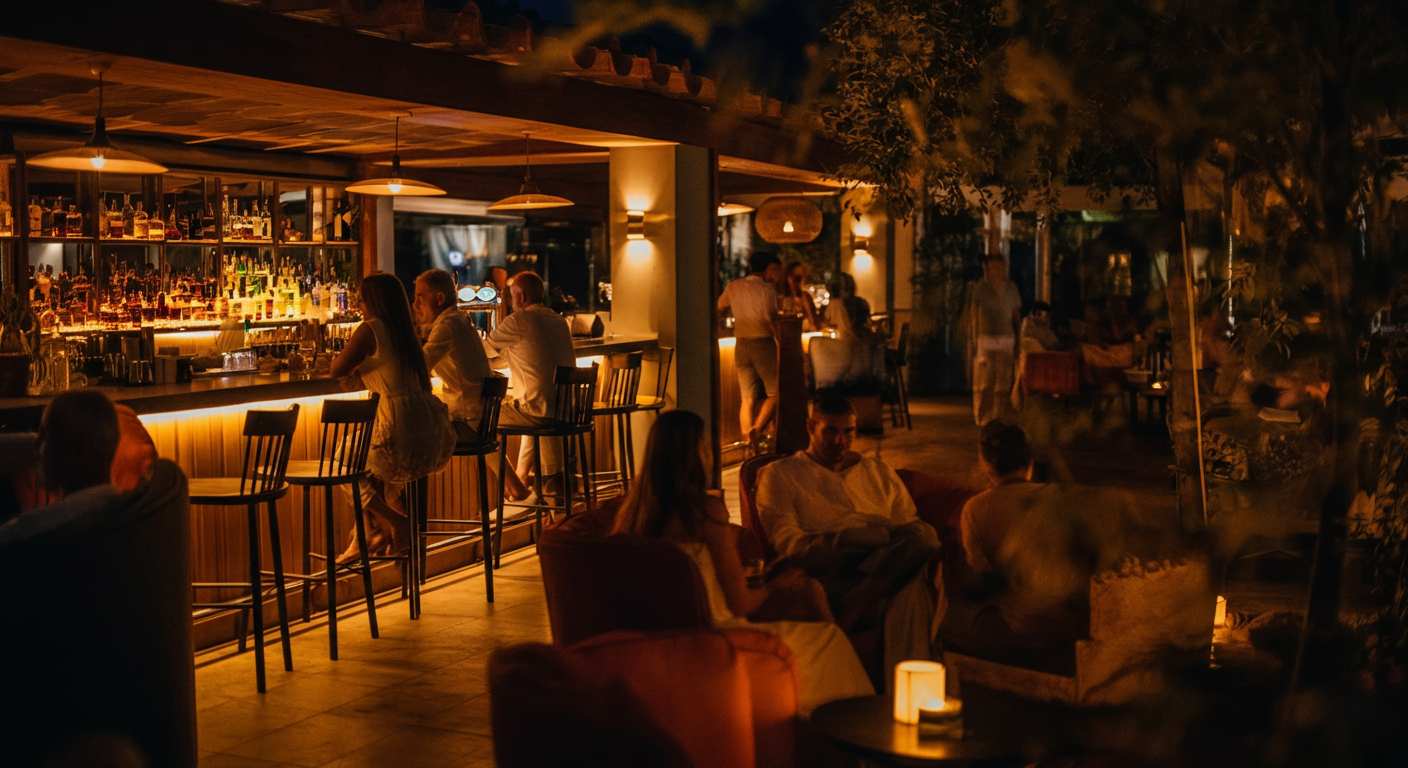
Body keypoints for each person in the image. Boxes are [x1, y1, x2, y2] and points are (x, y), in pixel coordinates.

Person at [613, 409, 875, 715]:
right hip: (718, 634)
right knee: (829, 638)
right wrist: (778, 583)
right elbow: (740, 605)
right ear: (698, 453)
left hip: (666, 634)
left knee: (810, 607)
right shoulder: (706, 512)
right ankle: (848, 728)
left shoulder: (634, 516)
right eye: (705, 446)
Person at [757, 393, 941, 679]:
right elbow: (789, 545)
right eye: (830, 431)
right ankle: (913, 699)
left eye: (848, 432)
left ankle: (863, 599)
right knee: (912, 589)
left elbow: (910, 533)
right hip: (832, 572)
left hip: (886, 565)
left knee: (922, 540)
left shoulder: (878, 472)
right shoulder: (780, 475)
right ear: (810, 427)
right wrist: (851, 539)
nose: (840, 440)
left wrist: (880, 543)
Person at [949, 421, 1126, 656]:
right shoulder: (1058, 498)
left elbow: (981, 576)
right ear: (1029, 462)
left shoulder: (975, 509)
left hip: (1022, 626)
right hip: (1072, 623)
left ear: (986, 463)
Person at [330, 273, 455, 561]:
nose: (360, 305)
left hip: (399, 430)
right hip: (430, 428)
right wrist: (364, 375)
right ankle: (367, 532)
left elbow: (336, 369)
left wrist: (354, 371)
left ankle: (394, 522)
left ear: (373, 301)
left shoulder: (370, 328)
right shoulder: (406, 333)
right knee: (363, 457)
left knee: (341, 462)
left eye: (361, 299)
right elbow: (392, 373)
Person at [484, 271, 577, 499]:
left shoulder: (518, 320)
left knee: (479, 419)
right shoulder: (560, 321)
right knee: (527, 405)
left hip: (540, 413)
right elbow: (517, 354)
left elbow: (482, 350)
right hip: (568, 413)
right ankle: (523, 480)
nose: (509, 301)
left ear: (522, 297)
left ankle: (515, 487)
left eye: (511, 295)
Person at [0, 390, 123, 544]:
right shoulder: (129, 513)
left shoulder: (25, 531)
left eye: (44, 435)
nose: (36, 445)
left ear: (77, 449)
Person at [718, 252, 781, 454]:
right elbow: (773, 318)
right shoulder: (768, 289)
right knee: (775, 394)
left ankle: (750, 447)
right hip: (762, 343)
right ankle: (757, 430)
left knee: (747, 399)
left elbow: (718, 306)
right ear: (766, 269)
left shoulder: (734, 286)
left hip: (741, 345)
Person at [965, 254, 1022, 426]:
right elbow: (973, 315)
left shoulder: (1011, 288)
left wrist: (1018, 335)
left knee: (1003, 383)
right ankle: (982, 416)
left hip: (1006, 337)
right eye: (992, 267)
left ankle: (998, 417)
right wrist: (973, 339)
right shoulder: (980, 288)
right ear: (986, 269)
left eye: (999, 267)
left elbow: (1015, 314)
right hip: (986, 338)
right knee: (984, 381)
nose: (996, 270)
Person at [779, 261, 822, 331]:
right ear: (788, 277)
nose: (802, 281)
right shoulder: (781, 298)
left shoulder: (806, 297)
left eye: (803, 277)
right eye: (797, 278)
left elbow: (814, 320)